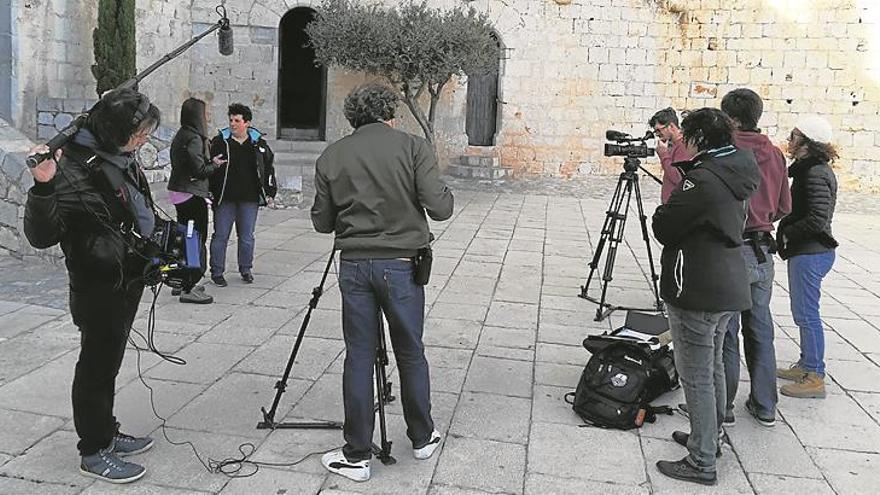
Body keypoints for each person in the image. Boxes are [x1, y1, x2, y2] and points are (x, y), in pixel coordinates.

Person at [311, 84, 454, 482]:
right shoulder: (412, 147)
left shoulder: (332, 155)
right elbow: (439, 207)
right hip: (402, 266)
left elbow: (322, 222)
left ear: (352, 117)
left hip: (355, 266)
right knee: (410, 351)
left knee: (358, 355)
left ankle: (356, 455)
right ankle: (423, 437)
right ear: (390, 113)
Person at [24, 88, 160, 484]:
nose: (144, 139)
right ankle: (93, 449)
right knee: (96, 366)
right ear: (116, 130)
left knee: (110, 361)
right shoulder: (70, 168)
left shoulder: (115, 156)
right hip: (97, 283)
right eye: (139, 133)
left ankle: (107, 430)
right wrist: (44, 185)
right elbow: (41, 234)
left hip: (126, 274)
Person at [652, 107, 759, 486]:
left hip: (697, 285)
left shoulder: (703, 179)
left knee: (695, 374)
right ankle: (708, 440)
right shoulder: (739, 169)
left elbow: (665, 225)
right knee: (711, 364)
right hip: (728, 280)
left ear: (697, 138)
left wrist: (664, 210)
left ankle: (701, 461)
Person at [717, 88, 792, 427]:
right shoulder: (775, 154)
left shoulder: (726, 152)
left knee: (726, 331)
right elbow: (783, 207)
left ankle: (724, 405)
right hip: (763, 253)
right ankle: (765, 405)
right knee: (760, 329)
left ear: (730, 118)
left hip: (732, 251)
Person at [776, 116, 839, 399]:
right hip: (807, 251)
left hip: (811, 252)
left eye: (793, 136)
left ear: (805, 143)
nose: (789, 141)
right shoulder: (806, 170)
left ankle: (815, 375)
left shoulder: (815, 173)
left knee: (807, 314)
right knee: (802, 312)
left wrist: (789, 234)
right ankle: (806, 363)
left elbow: (817, 218)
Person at [208, 103, 276, 286]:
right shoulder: (220, 142)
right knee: (220, 235)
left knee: (246, 237)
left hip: (249, 198)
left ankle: (245, 269)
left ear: (247, 123)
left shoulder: (258, 144)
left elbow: (268, 168)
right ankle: (217, 271)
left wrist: (270, 192)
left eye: (237, 121)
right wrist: (210, 191)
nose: (232, 124)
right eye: (231, 120)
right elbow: (210, 167)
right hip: (225, 197)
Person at [168, 97, 226, 304]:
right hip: (191, 195)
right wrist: (215, 166)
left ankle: (184, 281)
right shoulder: (193, 138)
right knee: (194, 239)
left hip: (182, 192)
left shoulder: (183, 134)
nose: (208, 116)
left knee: (187, 238)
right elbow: (198, 170)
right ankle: (188, 286)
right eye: (205, 113)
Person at [649, 107, 692, 203]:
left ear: (671, 126)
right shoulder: (674, 143)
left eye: (659, 130)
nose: (657, 134)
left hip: (675, 203)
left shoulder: (682, 145)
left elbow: (677, 177)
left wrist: (663, 154)